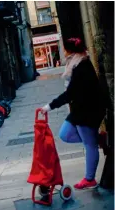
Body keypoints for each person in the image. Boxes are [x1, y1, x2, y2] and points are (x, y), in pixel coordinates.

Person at [41, 38, 107, 190]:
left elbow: (70, 93)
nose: (63, 52)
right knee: (65, 134)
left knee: (89, 145)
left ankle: (89, 179)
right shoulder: (76, 63)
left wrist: (50, 106)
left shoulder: (81, 65)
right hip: (79, 109)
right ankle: (98, 138)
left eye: (65, 49)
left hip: (88, 110)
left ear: (70, 51)